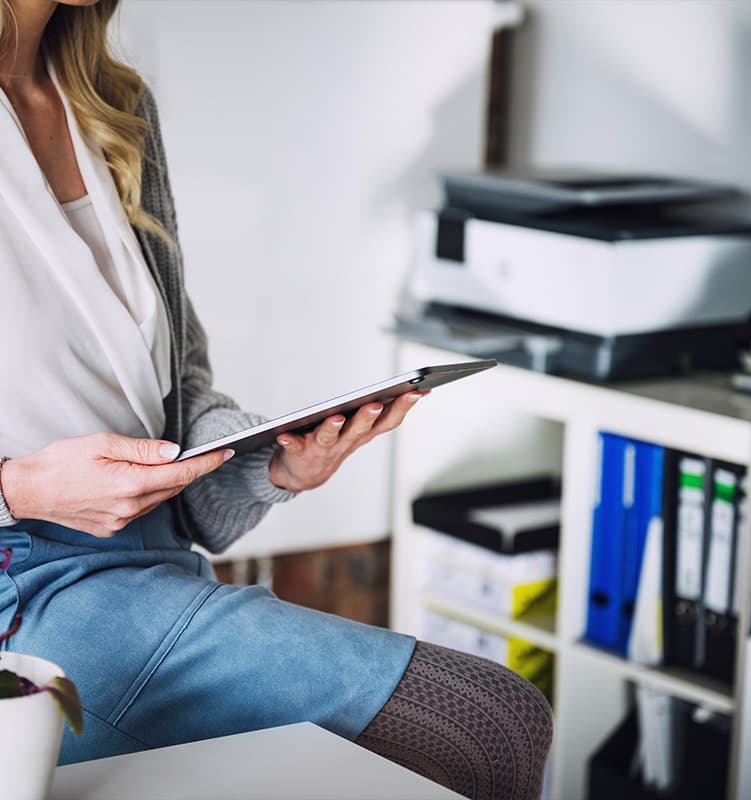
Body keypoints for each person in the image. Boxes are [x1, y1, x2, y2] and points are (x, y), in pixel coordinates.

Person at [0, 1, 553, 797]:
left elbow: (179, 393)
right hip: (27, 586)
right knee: (487, 723)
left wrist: (274, 460)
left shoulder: (112, 107)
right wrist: (21, 488)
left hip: (148, 563)